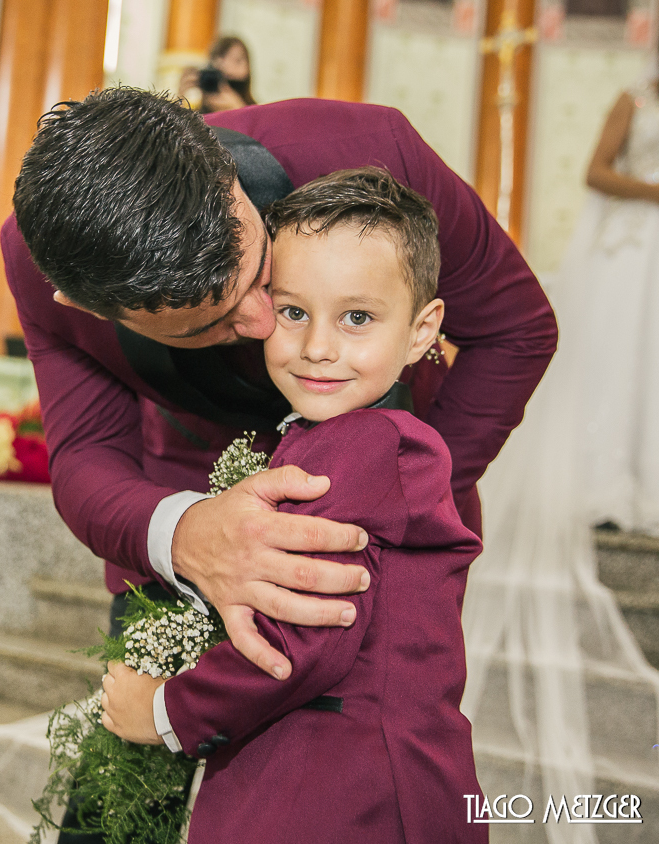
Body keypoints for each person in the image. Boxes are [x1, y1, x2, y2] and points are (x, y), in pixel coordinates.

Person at [6, 87, 554, 683]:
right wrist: (189, 533)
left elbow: (517, 331)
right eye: (211, 324)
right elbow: (86, 455)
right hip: (190, 485)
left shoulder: (374, 152)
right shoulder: (47, 268)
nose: (265, 325)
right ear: (86, 307)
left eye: (258, 273)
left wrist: (404, 488)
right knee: (131, 752)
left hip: (380, 525)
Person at [98, 168, 484, 843]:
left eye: (357, 317)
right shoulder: (340, 440)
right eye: (294, 311)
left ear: (423, 331)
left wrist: (162, 710)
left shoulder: (372, 448)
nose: (317, 347)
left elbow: (297, 644)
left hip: (342, 793)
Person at [557, 73, 659, 533]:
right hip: (636, 244)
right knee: (622, 359)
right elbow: (595, 171)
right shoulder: (635, 99)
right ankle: (606, 486)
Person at [178, 35, 258, 113]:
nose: (228, 66)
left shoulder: (258, 112)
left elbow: (257, 125)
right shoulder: (197, 116)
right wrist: (180, 99)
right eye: (222, 57)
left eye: (237, 60)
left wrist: (238, 109)